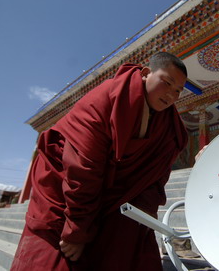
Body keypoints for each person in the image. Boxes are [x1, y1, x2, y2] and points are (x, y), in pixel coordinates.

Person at [11, 52, 188, 271]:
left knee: (128, 239)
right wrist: (77, 231)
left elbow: (156, 176)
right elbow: (82, 168)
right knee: (56, 257)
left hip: (117, 193)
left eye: (178, 90)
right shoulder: (106, 98)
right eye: (167, 82)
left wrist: (144, 215)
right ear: (145, 73)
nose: (172, 94)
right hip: (66, 183)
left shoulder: (170, 128)